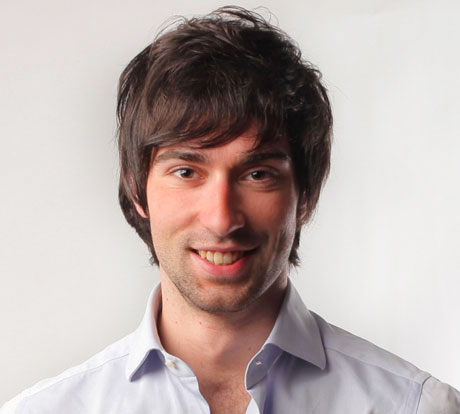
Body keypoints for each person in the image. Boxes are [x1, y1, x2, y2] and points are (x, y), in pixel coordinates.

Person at [2, 6, 459, 414]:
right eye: (186, 171)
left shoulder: (415, 407)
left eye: (258, 174)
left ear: (306, 194)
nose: (222, 219)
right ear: (137, 190)